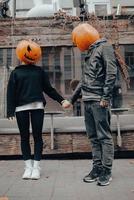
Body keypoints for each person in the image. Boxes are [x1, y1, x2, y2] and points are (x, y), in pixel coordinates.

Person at [7, 40, 70, 180]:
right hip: (20, 108)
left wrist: (62, 100)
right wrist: (10, 111)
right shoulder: (15, 73)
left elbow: (48, 89)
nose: (32, 53)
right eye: (29, 50)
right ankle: (27, 167)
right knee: (24, 137)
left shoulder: (39, 72)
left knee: (37, 137)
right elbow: (10, 93)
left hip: (37, 108)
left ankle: (36, 167)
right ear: (20, 53)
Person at [70, 23, 117, 186]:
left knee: (104, 136)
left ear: (84, 35)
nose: (76, 43)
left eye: (77, 39)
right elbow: (84, 80)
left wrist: (106, 96)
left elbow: (112, 73)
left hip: (99, 100)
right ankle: (97, 168)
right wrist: (72, 99)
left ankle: (106, 170)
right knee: (93, 137)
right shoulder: (91, 52)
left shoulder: (105, 47)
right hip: (88, 100)